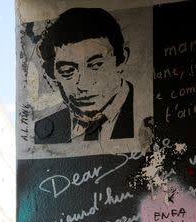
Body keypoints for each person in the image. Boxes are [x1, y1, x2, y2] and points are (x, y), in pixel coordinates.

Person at [34, 8, 135, 144]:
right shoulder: (46, 131)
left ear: (122, 59)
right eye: (67, 71)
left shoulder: (143, 114)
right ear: (54, 74)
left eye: (96, 65)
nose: (83, 84)